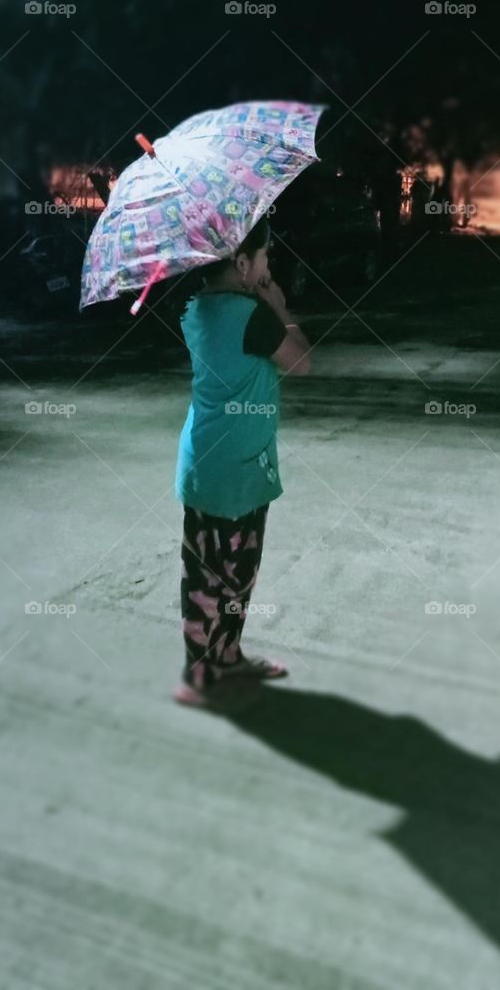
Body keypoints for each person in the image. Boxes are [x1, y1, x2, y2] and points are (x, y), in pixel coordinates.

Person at [173, 215, 312, 707]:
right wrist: (279, 305)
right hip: (238, 470)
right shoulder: (253, 315)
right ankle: (206, 674)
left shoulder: (196, 308)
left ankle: (217, 661)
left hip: (202, 464)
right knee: (235, 572)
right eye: (265, 256)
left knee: (204, 573)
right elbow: (301, 361)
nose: (269, 263)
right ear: (242, 262)